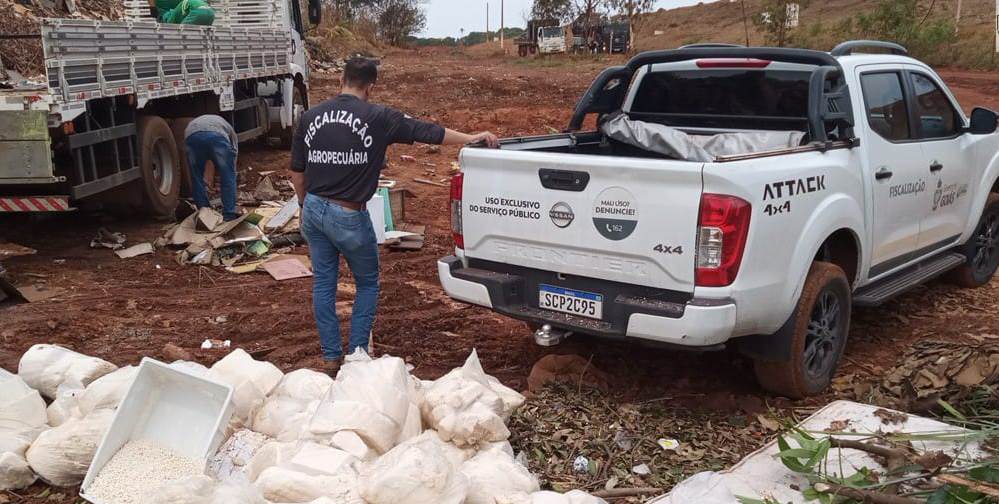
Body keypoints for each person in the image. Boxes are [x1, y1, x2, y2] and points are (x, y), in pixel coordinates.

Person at [290, 57, 499, 373]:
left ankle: (331, 356)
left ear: (340, 82)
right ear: (370, 87)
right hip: (348, 214)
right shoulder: (379, 116)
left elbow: (297, 173)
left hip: (314, 207)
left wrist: (307, 206)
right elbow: (427, 131)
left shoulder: (310, 116)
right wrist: (469, 138)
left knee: (323, 284)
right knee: (367, 283)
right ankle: (358, 355)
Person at [185, 115, 240, 221]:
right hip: (216, 136)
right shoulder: (231, 131)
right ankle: (229, 214)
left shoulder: (197, 123)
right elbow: (233, 157)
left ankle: (205, 214)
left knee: (196, 177)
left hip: (191, 136)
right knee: (228, 176)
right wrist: (230, 170)